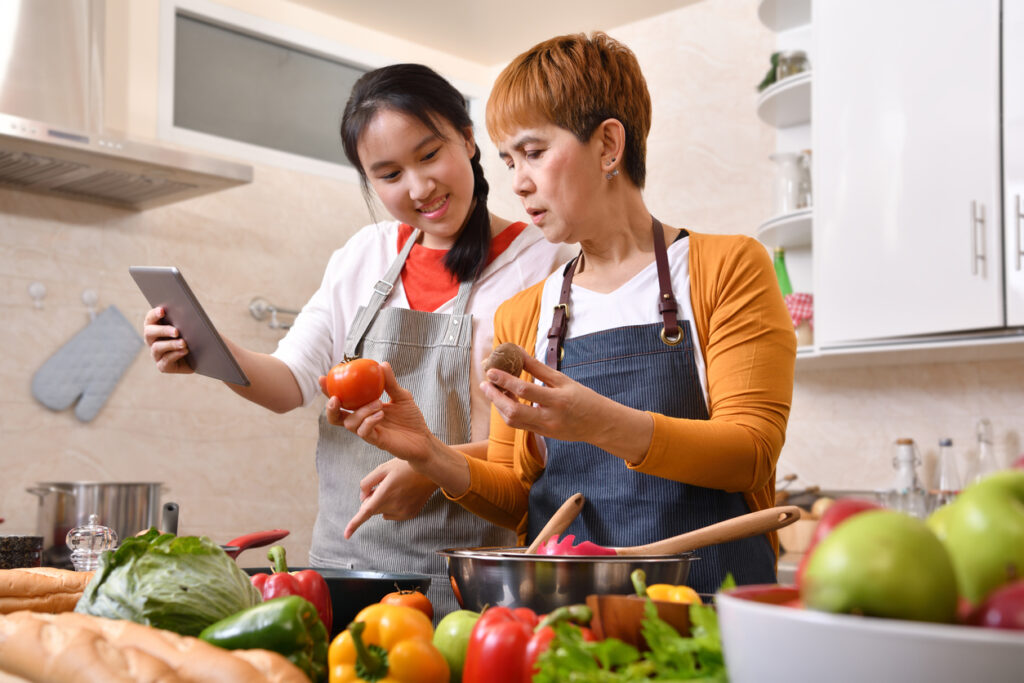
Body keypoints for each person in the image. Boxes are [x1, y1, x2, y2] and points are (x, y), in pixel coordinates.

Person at [332, 33, 797, 595]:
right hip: (568, 620)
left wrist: (600, 423)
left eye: (533, 152)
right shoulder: (524, 313)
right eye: (508, 160)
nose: (518, 182)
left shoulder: (726, 267)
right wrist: (429, 453)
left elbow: (750, 453)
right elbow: (516, 492)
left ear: (607, 145)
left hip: (701, 613)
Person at [143, 63, 572, 617]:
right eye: (389, 175)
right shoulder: (363, 256)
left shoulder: (543, 265)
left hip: (477, 582)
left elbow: (543, 441)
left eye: (428, 155)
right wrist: (207, 349)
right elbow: (290, 382)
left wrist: (430, 467)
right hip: (343, 572)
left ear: (467, 139)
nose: (420, 188)